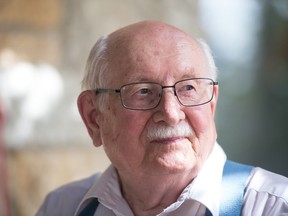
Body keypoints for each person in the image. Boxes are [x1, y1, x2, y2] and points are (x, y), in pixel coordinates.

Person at [36, 20, 288, 216]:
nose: (170, 113)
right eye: (143, 91)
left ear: (212, 104)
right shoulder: (63, 207)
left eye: (188, 88)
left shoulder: (274, 207)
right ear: (93, 117)